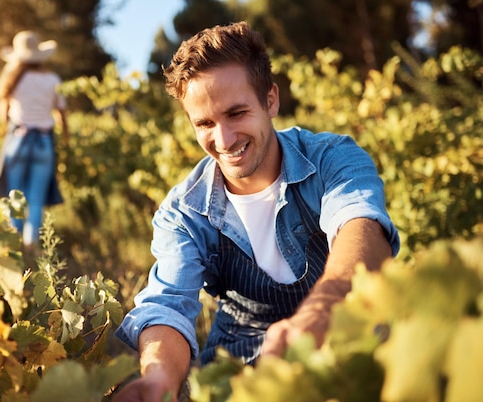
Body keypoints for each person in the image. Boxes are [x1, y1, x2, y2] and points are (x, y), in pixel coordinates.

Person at [112, 21, 400, 402]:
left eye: (236, 113)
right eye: (205, 123)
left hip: (342, 327)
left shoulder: (332, 158)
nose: (224, 139)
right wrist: (158, 379)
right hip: (242, 357)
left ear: (271, 100)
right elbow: (168, 305)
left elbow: (361, 227)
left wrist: (324, 308)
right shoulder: (183, 212)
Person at [0, 30, 69, 259]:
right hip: (44, 142)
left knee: (15, 197)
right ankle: (31, 245)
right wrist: (65, 136)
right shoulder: (53, 80)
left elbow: (3, 116)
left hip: (18, 140)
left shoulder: (12, 77)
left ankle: (13, 245)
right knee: (36, 198)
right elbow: (62, 114)